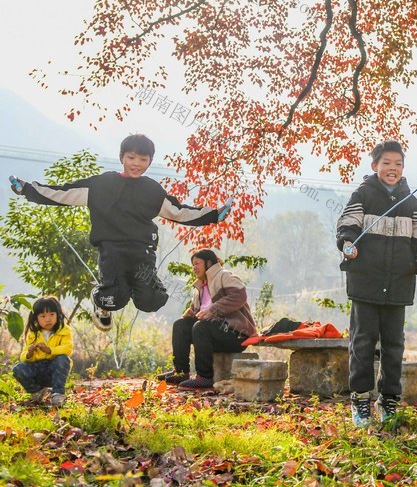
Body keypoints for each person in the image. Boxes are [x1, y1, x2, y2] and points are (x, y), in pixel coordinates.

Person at [10, 133, 233, 332]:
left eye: (143, 160)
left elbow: (179, 211)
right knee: (113, 299)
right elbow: (63, 193)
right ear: (122, 157)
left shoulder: (152, 190)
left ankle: (143, 288)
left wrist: (213, 214)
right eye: (131, 158)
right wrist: (28, 189)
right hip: (112, 251)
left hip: (142, 253)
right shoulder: (101, 185)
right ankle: (101, 302)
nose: (136, 164)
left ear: (150, 162)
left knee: (151, 302)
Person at [337, 141, 417, 427]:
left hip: (398, 284)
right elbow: (347, 225)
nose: (392, 168)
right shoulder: (362, 194)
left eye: (398, 164)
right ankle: (360, 402)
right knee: (362, 343)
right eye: (386, 163)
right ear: (375, 166)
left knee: (394, 345)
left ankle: (388, 401)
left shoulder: (410, 202)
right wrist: (348, 243)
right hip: (365, 282)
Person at [159, 248, 257, 391]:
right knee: (180, 325)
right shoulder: (199, 286)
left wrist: (213, 310)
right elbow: (201, 312)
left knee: (201, 327)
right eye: (193, 264)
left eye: (197, 263)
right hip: (212, 331)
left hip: (234, 335)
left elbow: (240, 295)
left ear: (209, 262)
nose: (194, 268)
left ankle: (205, 377)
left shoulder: (224, 276)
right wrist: (192, 313)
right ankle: (181, 372)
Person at [13, 295, 73, 407]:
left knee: (62, 358)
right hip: (38, 370)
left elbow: (68, 348)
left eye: (52, 314)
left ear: (58, 315)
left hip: (55, 371)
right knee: (18, 368)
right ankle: (37, 392)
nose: (48, 319)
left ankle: (57, 394)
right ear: (36, 318)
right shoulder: (33, 334)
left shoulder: (64, 331)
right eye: (43, 316)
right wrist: (30, 353)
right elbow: (23, 356)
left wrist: (49, 350)